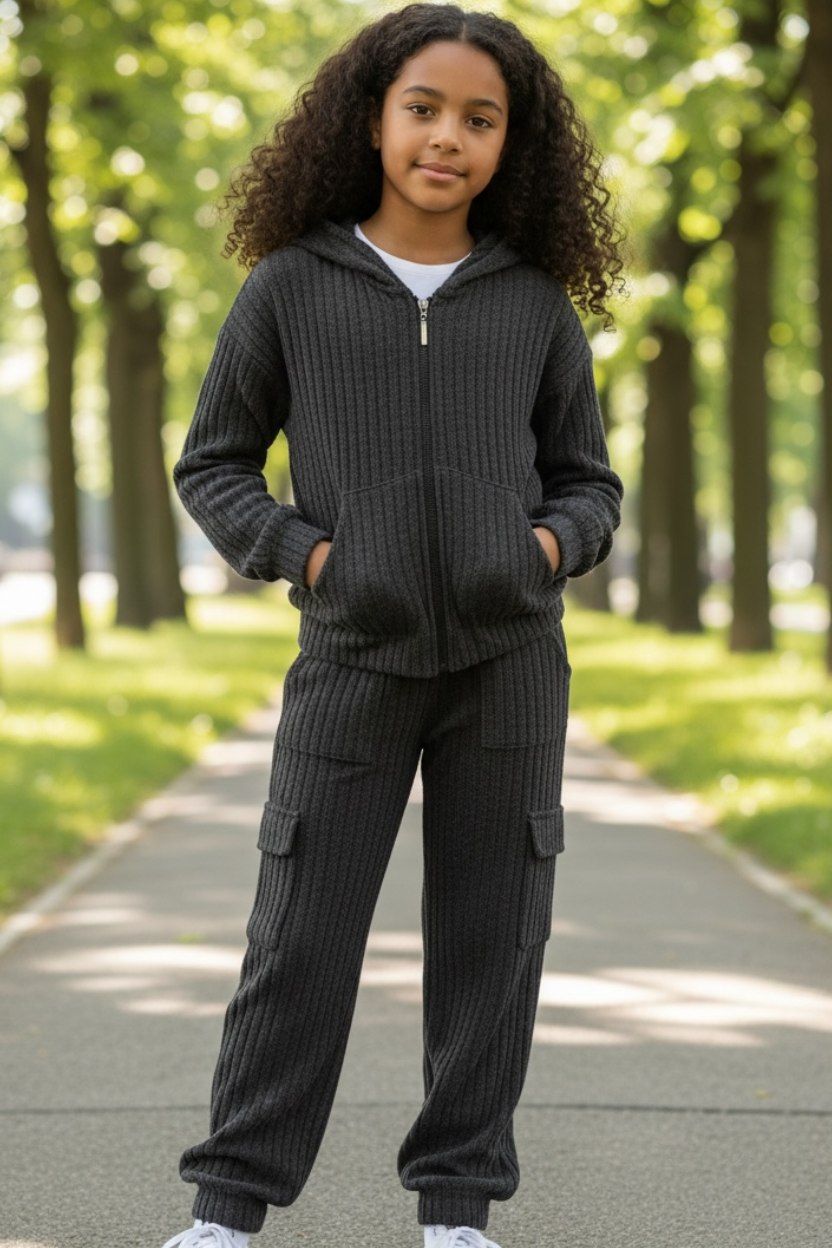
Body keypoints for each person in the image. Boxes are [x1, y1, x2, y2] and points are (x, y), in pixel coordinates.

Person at [162, 4, 625, 1246]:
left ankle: (457, 1211)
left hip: (508, 664)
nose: (446, 138)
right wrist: (310, 558)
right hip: (350, 658)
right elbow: (213, 462)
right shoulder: (289, 286)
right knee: (299, 936)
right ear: (370, 119)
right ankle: (227, 1210)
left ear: (510, 145)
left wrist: (540, 549)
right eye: (423, 108)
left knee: (493, 940)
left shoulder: (533, 302)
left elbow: (588, 484)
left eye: (480, 119)